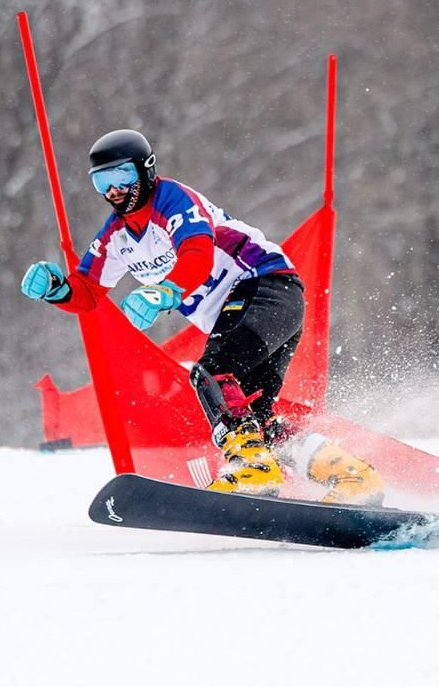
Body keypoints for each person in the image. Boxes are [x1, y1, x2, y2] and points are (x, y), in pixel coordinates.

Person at [21, 128, 384, 505]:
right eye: (102, 182)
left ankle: (253, 472)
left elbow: (197, 253)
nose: (114, 191)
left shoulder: (173, 202)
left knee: (212, 373)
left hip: (265, 286)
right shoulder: (117, 236)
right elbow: (88, 291)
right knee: (256, 417)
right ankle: (350, 476)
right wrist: (56, 289)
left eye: (122, 177)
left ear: (146, 170)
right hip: (255, 309)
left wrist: (164, 290)